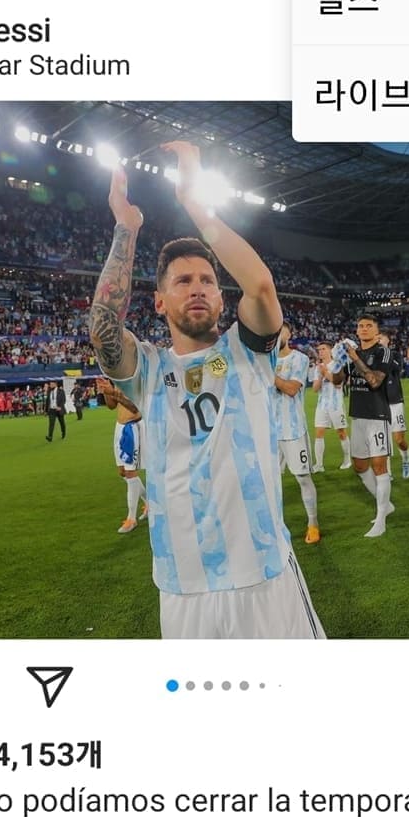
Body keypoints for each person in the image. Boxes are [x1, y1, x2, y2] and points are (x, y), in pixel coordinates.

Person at [88, 142, 325, 639]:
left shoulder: (248, 351)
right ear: (158, 302)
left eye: (206, 280)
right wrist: (126, 228)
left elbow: (261, 287)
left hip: (263, 574)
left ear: (220, 297)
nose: (196, 287)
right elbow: (103, 325)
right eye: (182, 281)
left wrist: (194, 202)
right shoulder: (147, 369)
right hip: (182, 586)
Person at [333, 317, 393, 537]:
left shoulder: (383, 352)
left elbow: (375, 381)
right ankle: (385, 505)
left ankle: (381, 520)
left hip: (377, 415)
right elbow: (336, 381)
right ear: (356, 331)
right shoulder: (352, 354)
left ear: (377, 332)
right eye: (360, 326)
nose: (364, 329)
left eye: (369, 326)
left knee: (379, 466)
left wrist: (355, 358)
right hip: (358, 416)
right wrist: (338, 362)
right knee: (359, 466)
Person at [274, 323, 320, 544]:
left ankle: (313, 523)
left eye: (280, 329)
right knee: (269, 482)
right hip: (268, 433)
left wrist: (266, 372)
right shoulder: (263, 361)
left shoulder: (299, 359)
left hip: (292, 430)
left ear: (289, 333)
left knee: (302, 478)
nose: (276, 333)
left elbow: (291, 389)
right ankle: (274, 525)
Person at [97, 376, 148, 534]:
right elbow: (112, 406)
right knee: (123, 472)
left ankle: (131, 519)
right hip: (119, 426)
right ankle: (149, 503)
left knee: (130, 472)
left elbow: (134, 408)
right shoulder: (118, 379)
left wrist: (113, 392)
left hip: (133, 427)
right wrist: (106, 391)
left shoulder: (135, 379)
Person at [312, 343, 351, 471]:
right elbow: (315, 389)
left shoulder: (337, 365)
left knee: (341, 432)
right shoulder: (317, 367)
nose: (320, 351)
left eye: (323, 349)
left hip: (336, 405)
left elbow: (338, 384)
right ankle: (319, 465)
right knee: (319, 433)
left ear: (330, 351)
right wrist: (320, 376)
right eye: (319, 350)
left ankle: (347, 460)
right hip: (322, 405)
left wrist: (325, 372)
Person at [378, 331, 409, 478]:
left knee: (399, 440)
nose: (378, 340)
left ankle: (406, 459)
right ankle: (387, 473)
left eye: (380, 338)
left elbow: (397, 369)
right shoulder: (373, 357)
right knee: (383, 441)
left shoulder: (395, 355)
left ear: (388, 340)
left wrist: (385, 353)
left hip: (395, 403)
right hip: (380, 403)